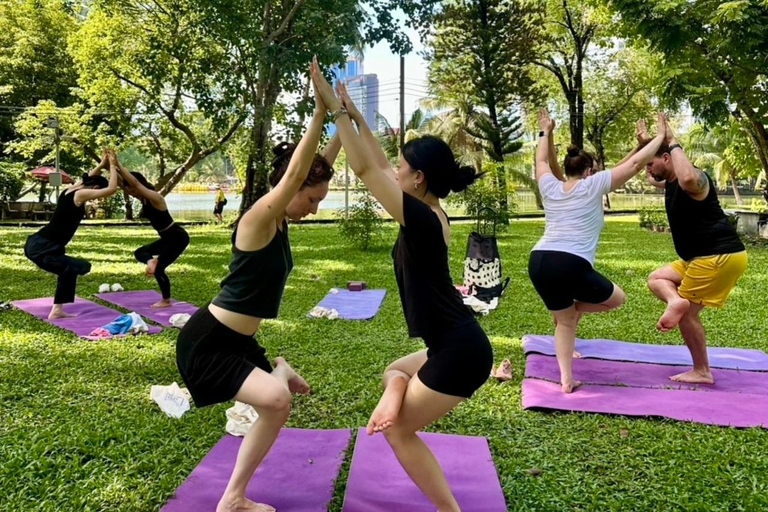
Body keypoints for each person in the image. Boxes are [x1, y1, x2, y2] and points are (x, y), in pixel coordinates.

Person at [311, 57, 492, 512]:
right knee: (393, 372)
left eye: (402, 168)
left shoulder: (423, 221)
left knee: (398, 432)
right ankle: (395, 393)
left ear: (418, 178)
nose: (395, 172)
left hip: (460, 351)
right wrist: (356, 115)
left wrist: (336, 111)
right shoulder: (429, 213)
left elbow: (368, 171)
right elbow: (377, 162)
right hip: (450, 341)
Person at [176, 76, 336, 512]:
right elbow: (299, 172)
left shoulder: (281, 221)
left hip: (239, 342)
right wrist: (319, 111)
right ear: (290, 187)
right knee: (278, 400)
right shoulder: (258, 218)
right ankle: (233, 498)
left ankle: (234, 495)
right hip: (208, 343)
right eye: (311, 200)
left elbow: (317, 165)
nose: (314, 209)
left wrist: (343, 117)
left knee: (276, 407)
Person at [528, 108, 667, 393]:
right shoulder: (593, 185)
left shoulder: (550, 186)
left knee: (565, 321)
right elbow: (635, 165)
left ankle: (566, 379)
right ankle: (572, 312)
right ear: (589, 171)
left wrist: (545, 131)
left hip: (539, 260)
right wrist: (661, 136)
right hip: (569, 262)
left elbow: (541, 160)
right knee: (616, 298)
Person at [640, 120, 748, 384]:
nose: (648, 170)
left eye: (651, 163)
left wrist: (672, 139)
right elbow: (651, 177)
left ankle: (702, 371)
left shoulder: (694, 179)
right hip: (698, 257)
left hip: (717, 256)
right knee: (657, 278)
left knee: (687, 315)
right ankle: (675, 301)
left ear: (668, 158)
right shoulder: (669, 181)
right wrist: (646, 145)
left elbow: (687, 177)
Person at [24, 149, 119, 319]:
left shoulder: (69, 190)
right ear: (96, 188)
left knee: (68, 270)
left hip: (38, 242)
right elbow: (112, 188)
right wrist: (112, 165)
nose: (97, 198)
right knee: (79, 267)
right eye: (98, 194)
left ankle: (58, 309)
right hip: (44, 247)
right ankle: (57, 311)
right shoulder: (80, 194)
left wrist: (101, 165)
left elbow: (88, 178)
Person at [115, 158, 190, 308]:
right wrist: (109, 165)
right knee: (140, 252)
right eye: (129, 190)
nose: (130, 192)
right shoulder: (142, 198)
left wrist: (118, 164)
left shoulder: (156, 198)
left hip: (178, 238)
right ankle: (151, 261)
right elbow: (121, 183)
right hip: (168, 238)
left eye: (132, 189)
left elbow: (135, 184)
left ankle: (166, 300)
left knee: (159, 269)